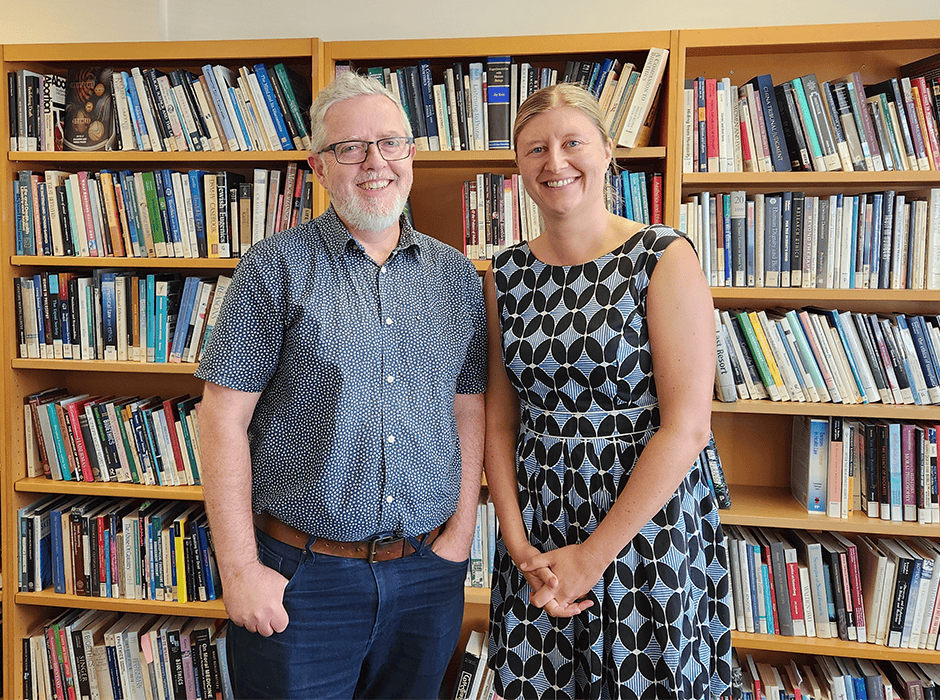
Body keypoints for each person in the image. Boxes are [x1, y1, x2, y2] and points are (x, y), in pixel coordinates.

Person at [195, 71, 487, 700]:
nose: (374, 162)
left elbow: (468, 408)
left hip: (425, 575)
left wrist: (461, 535)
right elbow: (220, 419)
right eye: (349, 147)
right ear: (318, 168)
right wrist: (241, 569)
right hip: (303, 578)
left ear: (412, 153)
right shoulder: (275, 267)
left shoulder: (455, 276)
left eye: (390, 143)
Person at [484, 83, 731, 700]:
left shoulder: (662, 256)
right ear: (518, 166)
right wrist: (519, 547)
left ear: (607, 154)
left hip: (647, 518)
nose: (555, 161)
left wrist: (592, 558)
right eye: (535, 148)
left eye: (573, 142)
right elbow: (498, 424)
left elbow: (688, 427)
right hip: (539, 527)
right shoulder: (504, 275)